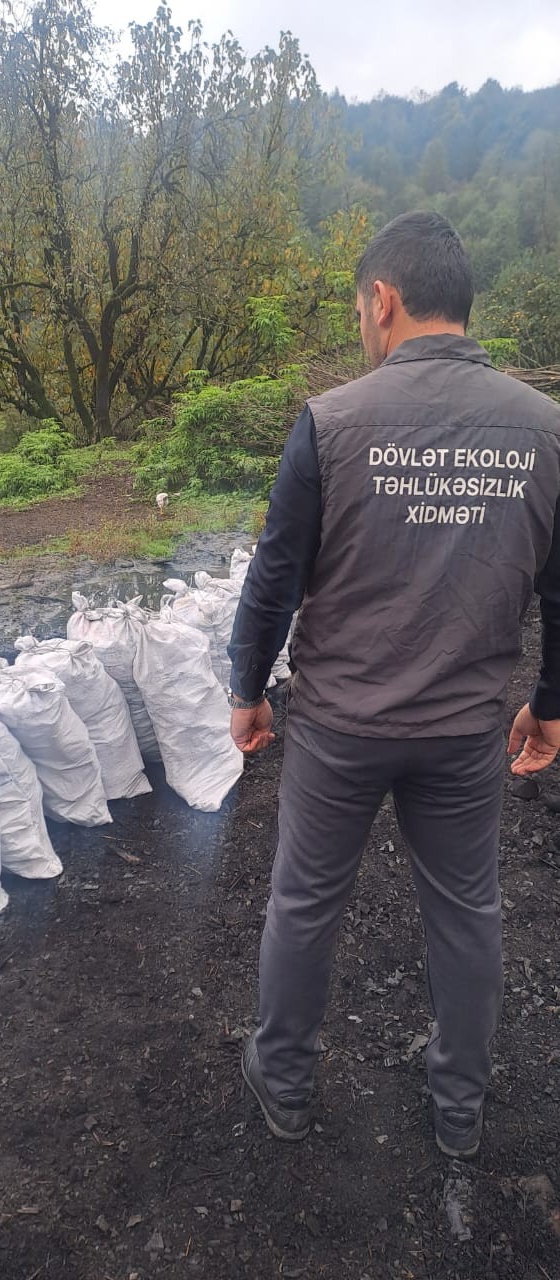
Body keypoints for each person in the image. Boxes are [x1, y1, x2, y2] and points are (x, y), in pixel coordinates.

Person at [227, 210, 560, 1159]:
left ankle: (284, 1084)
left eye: (359, 312)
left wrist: (248, 687)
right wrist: (553, 702)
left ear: (384, 300)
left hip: (340, 728)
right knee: (467, 913)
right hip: (463, 731)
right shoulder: (545, 430)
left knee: (304, 902)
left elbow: (274, 574)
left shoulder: (331, 423)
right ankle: (460, 1107)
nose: (360, 333)